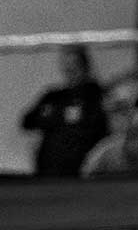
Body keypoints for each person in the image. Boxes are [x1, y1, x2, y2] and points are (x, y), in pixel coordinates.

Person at [20, 46, 108, 177]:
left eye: (75, 66)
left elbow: (102, 129)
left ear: (85, 66)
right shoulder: (54, 96)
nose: (70, 71)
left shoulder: (97, 95)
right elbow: (26, 122)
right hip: (48, 171)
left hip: (81, 173)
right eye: (67, 67)